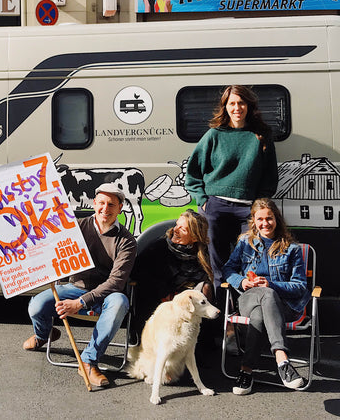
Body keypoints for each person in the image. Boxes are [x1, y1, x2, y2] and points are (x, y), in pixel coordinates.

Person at [23, 182, 137, 387]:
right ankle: (44, 334)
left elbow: (116, 282)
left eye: (111, 204)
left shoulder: (127, 241)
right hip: (74, 287)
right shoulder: (75, 226)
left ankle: (88, 361)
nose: (105, 209)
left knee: (120, 302)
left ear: (120, 207)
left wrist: (80, 303)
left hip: (105, 295)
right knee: (36, 306)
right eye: (101, 203)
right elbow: (47, 248)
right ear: (94, 204)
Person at [185, 85, 278, 296]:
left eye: (241, 103)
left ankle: (247, 312)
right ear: (225, 107)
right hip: (215, 206)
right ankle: (224, 318)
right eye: (232, 103)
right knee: (217, 264)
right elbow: (192, 173)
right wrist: (203, 200)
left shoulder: (261, 136)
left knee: (251, 260)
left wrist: (259, 205)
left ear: (249, 106)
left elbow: (270, 177)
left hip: (248, 210)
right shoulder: (214, 135)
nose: (237, 108)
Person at [222, 198, 309, 395]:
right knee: (265, 296)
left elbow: (300, 286)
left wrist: (271, 284)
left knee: (262, 309)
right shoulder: (245, 243)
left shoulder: (292, 249)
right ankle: (282, 359)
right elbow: (228, 269)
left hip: (284, 306)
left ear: (276, 219)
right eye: (260, 219)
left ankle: (246, 371)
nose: (265, 223)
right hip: (248, 298)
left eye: (269, 218)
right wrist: (243, 282)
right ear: (253, 220)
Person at [132, 209, 213, 337]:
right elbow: (139, 273)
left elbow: (207, 277)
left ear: (194, 237)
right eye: (177, 225)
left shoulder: (203, 253)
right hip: (156, 296)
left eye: (183, 229)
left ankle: (200, 342)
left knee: (206, 288)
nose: (175, 230)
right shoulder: (158, 247)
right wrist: (166, 293)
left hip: (186, 298)